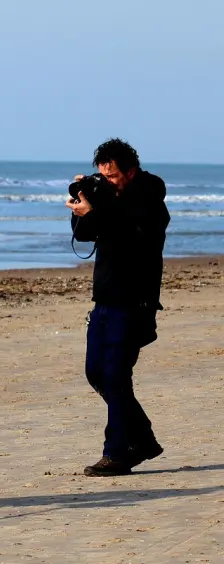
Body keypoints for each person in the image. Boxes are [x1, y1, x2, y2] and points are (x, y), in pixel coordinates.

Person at [67, 138, 170, 476]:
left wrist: (99, 210)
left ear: (130, 170)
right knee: (96, 372)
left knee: (115, 376)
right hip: (105, 301)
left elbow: (133, 233)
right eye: (103, 176)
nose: (108, 182)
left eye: (112, 177)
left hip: (134, 302)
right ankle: (143, 440)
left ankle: (117, 453)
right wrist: (84, 203)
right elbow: (85, 234)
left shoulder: (149, 196)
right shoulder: (110, 200)